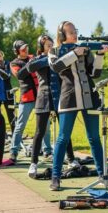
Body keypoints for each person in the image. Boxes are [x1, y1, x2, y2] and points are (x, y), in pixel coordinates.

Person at [48, 21, 108, 190]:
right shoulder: (53, 51)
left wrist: (100, 55)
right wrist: (75, 53)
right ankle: (55, 177)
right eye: (70, 32)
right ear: (61, 35)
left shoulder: (85, 49)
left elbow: (94, 74)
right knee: (62, 139)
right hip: (69, 98)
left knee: (94, 138)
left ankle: (102, 174)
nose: (74, 34)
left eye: (75, 31)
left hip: (90, 98)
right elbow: (56, 66)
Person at [27, 34, 79, 178]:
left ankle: (71, 159)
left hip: (59, 97)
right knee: (40, 132)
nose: (51, 47)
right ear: (41, 47)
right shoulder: (37, 59)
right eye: (47, 46)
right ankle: (34, 163)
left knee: (64, 131)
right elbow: (30, 67)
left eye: (52, 45)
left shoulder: (58, 57)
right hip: (43, 97)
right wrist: (49, 58)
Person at [9, 40, 39, 162]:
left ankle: (47, 150)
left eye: (26, 47)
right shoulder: (14, 63)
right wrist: (30, 64)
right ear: (17, 51)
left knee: (45, 126)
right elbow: (20, 75)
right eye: (22, 49)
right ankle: (13, 151)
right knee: (20, 125)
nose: (26, 50)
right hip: (26, 97)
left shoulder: (33, 57)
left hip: (40, 96)